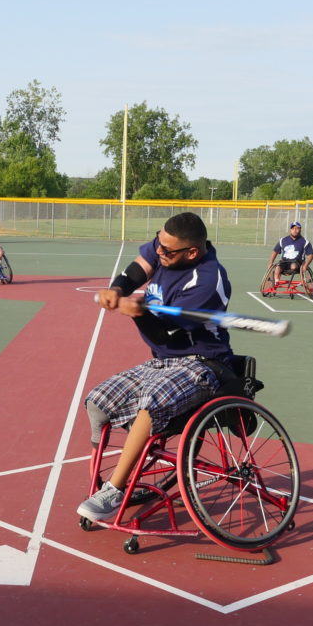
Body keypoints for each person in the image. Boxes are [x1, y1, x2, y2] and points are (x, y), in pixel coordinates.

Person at [77, 211, 234, 521]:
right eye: (158, 244)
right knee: (97, 401)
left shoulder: (207, 282)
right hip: (164, 362)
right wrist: (118, 290)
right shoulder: (167, 248)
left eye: (167, 251)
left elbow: (166, 334)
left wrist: (139, 312)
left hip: (203, 364)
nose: (159, 253)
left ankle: (114, 488)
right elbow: (140, 267)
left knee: (151, 404)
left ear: (191, 252)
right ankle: (99, 485)